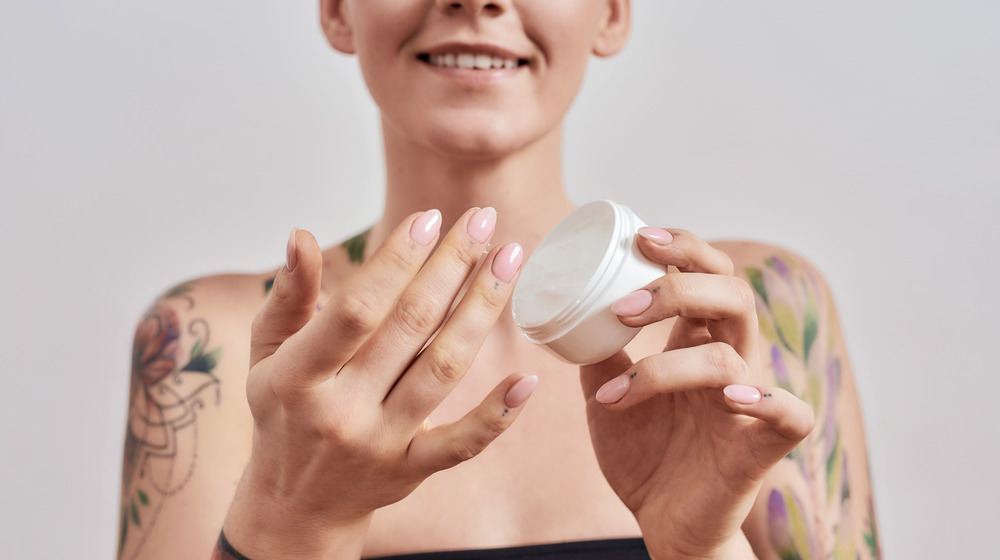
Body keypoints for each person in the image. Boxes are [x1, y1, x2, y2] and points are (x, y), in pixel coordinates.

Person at [119, 1, 880, 558]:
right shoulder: (211, 346)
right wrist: (293, 518)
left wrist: (702, 551)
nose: (475, 0)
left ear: (611, 14)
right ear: (337, 11)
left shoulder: (752, 314)